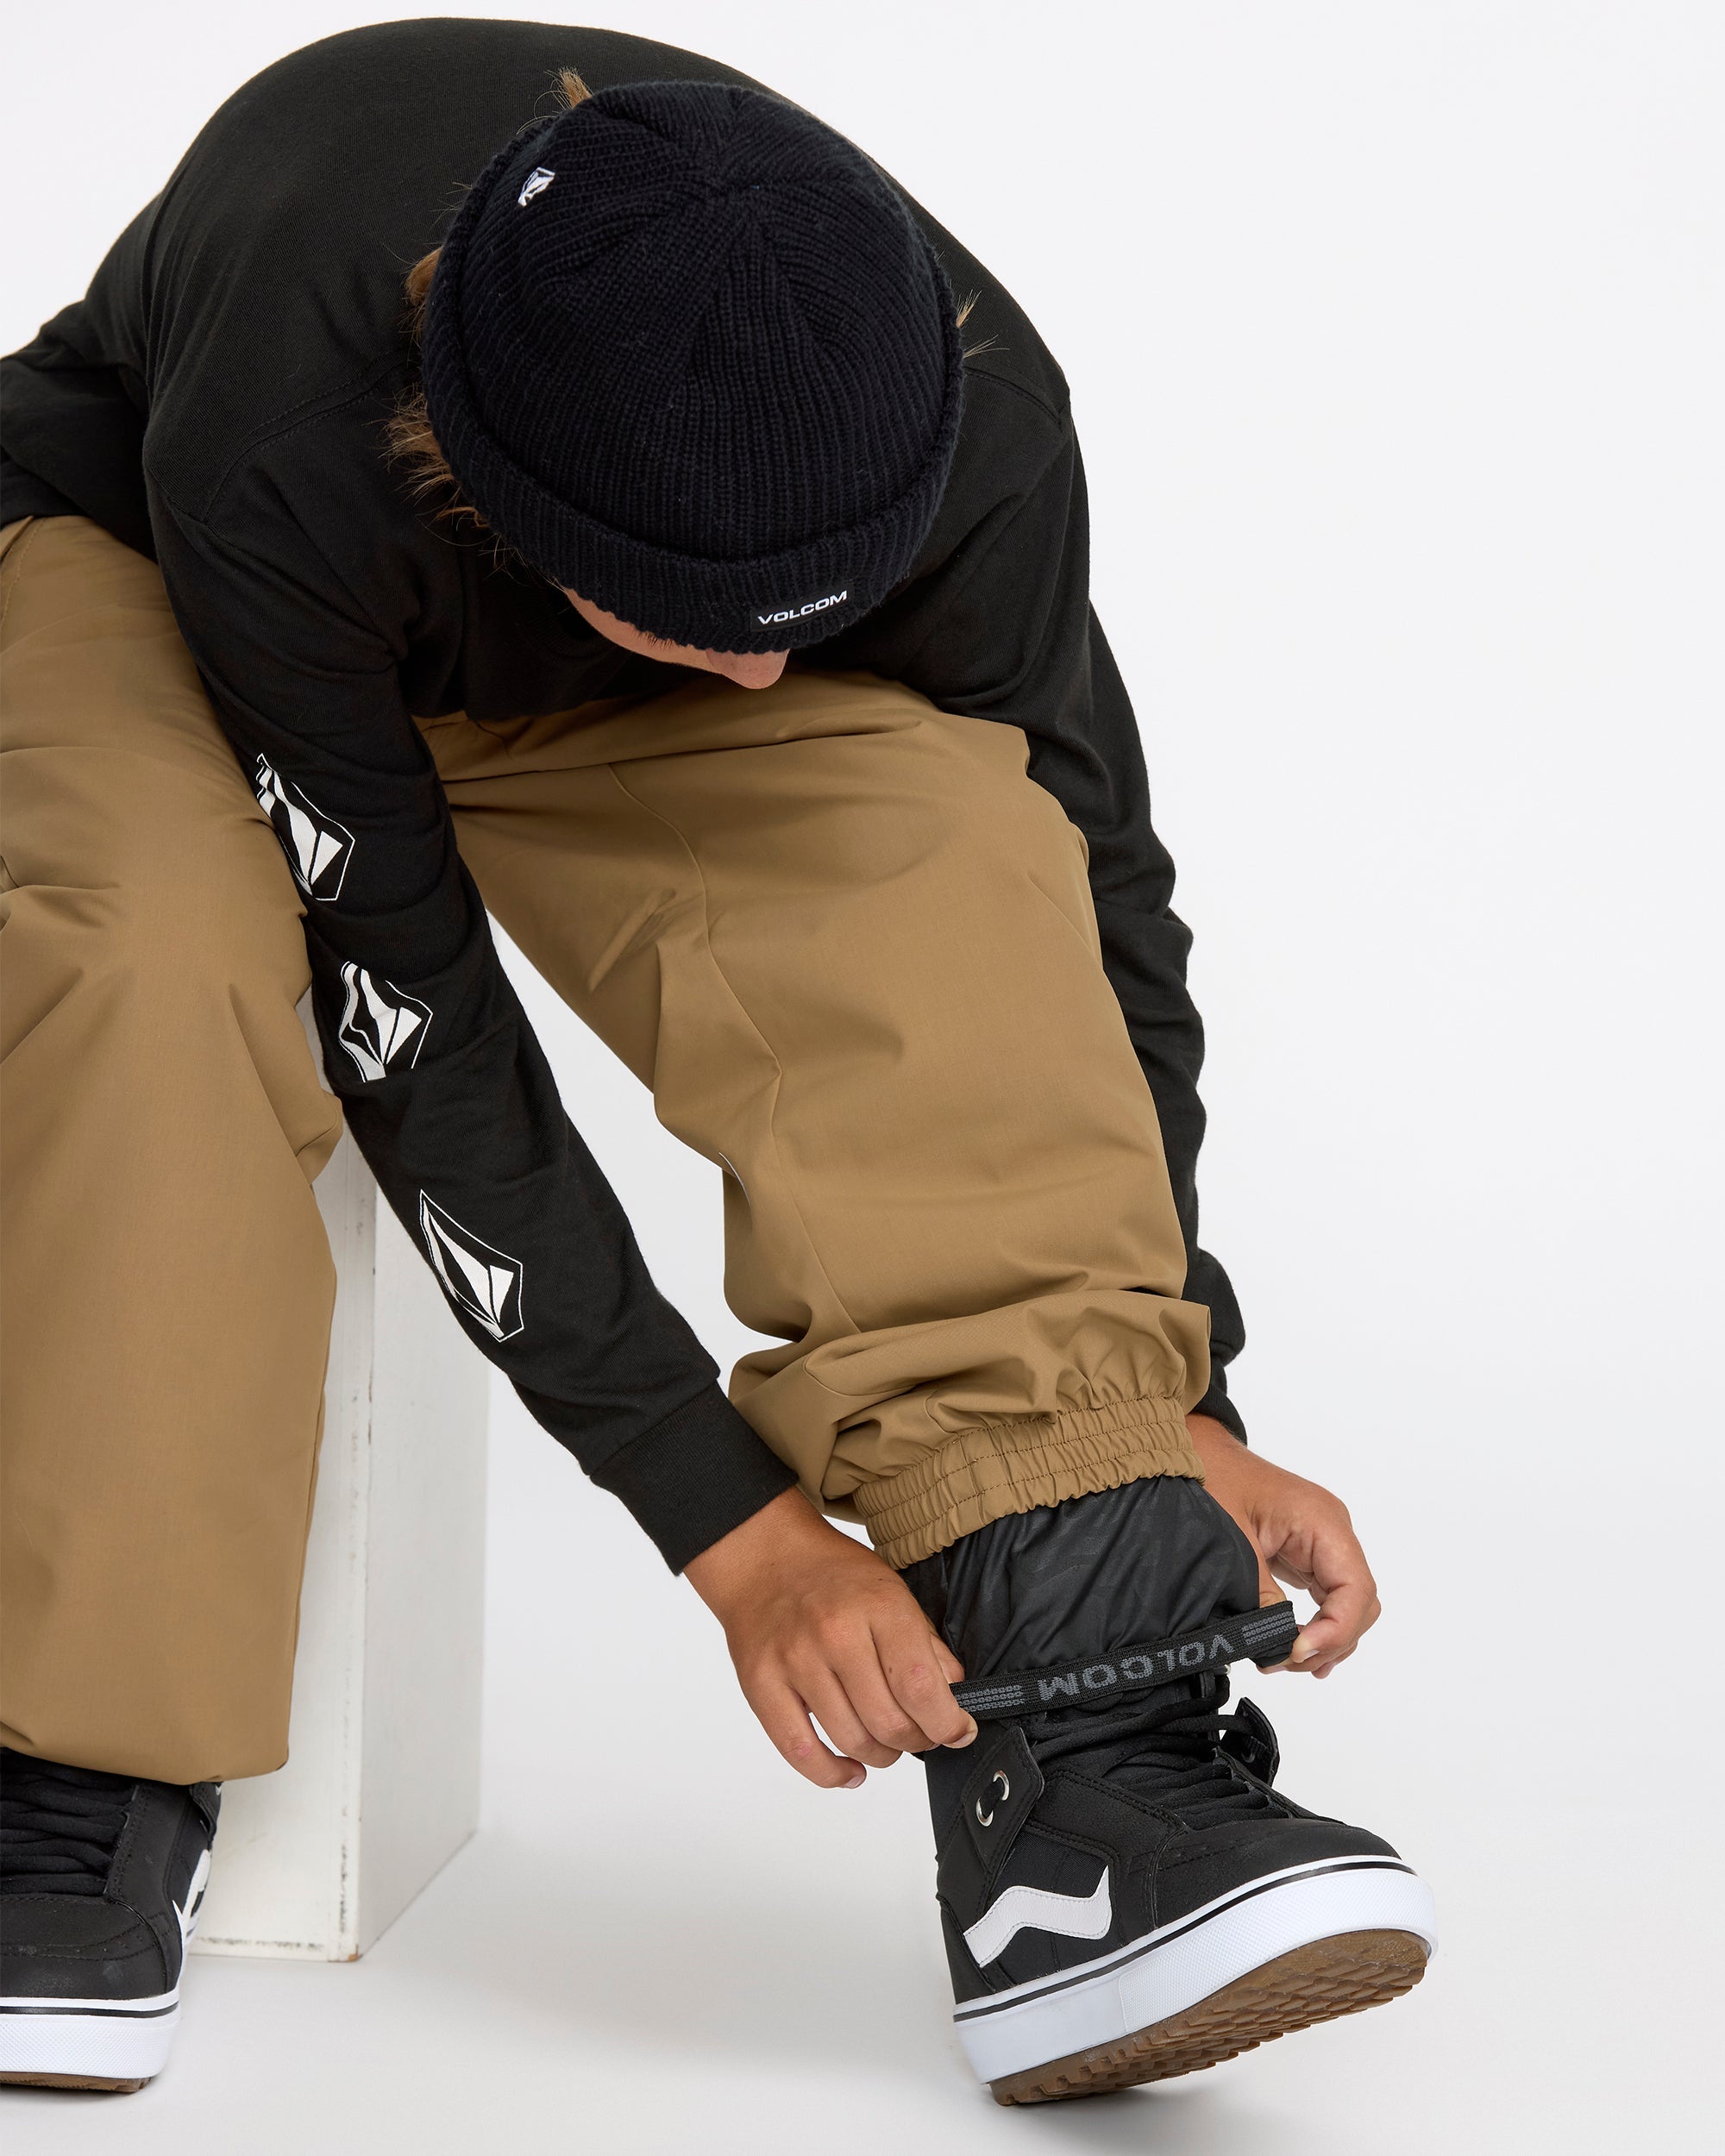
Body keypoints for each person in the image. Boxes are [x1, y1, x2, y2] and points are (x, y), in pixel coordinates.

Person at [0, 21, 1433, 2103]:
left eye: (812, 605)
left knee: (941, 855)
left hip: (578, 637)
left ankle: (1089, 1755)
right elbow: (409, 1016)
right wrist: (730, 1528)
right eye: (715, 616)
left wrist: (1180, 1386)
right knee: (155, 959)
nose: (769, 669)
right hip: (156, 565)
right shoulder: (285, 417)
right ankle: (75, 1756)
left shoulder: (969, 405)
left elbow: (1088, 879)